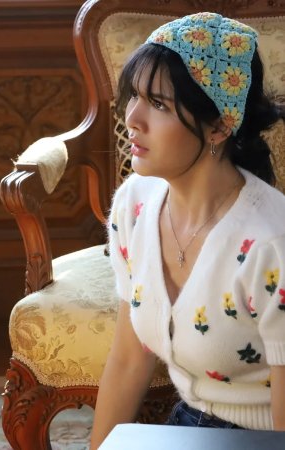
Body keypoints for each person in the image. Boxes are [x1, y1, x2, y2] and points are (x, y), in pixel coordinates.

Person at [90, 12, 285, 449]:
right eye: (134, 96)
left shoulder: (272, 246)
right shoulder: (134, 205)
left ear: (219, 126)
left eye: (158, 104)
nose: (132, 118)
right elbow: (129, 360)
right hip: (188, 427)